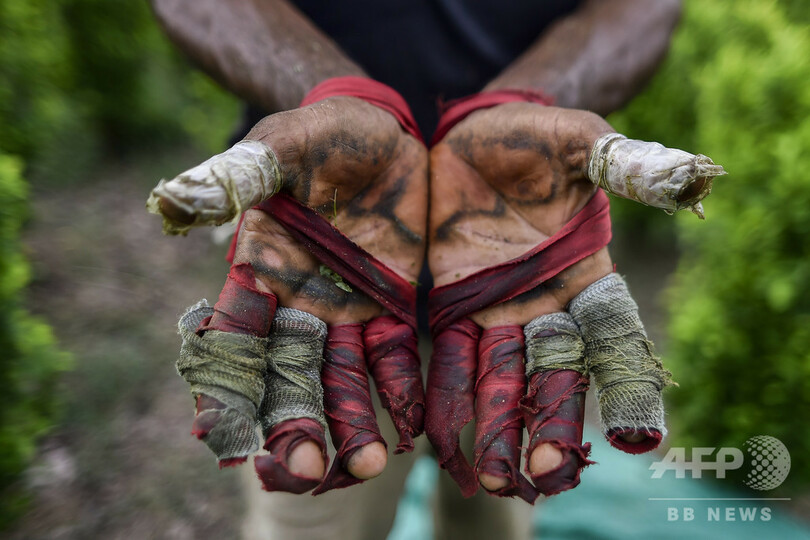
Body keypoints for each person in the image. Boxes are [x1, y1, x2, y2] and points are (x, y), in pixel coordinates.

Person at [145, 1, 722, 538]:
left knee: (495, 505)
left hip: (519, 283)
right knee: (310, 510)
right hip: (318, 267)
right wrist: (331, 94)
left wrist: (525, 104)